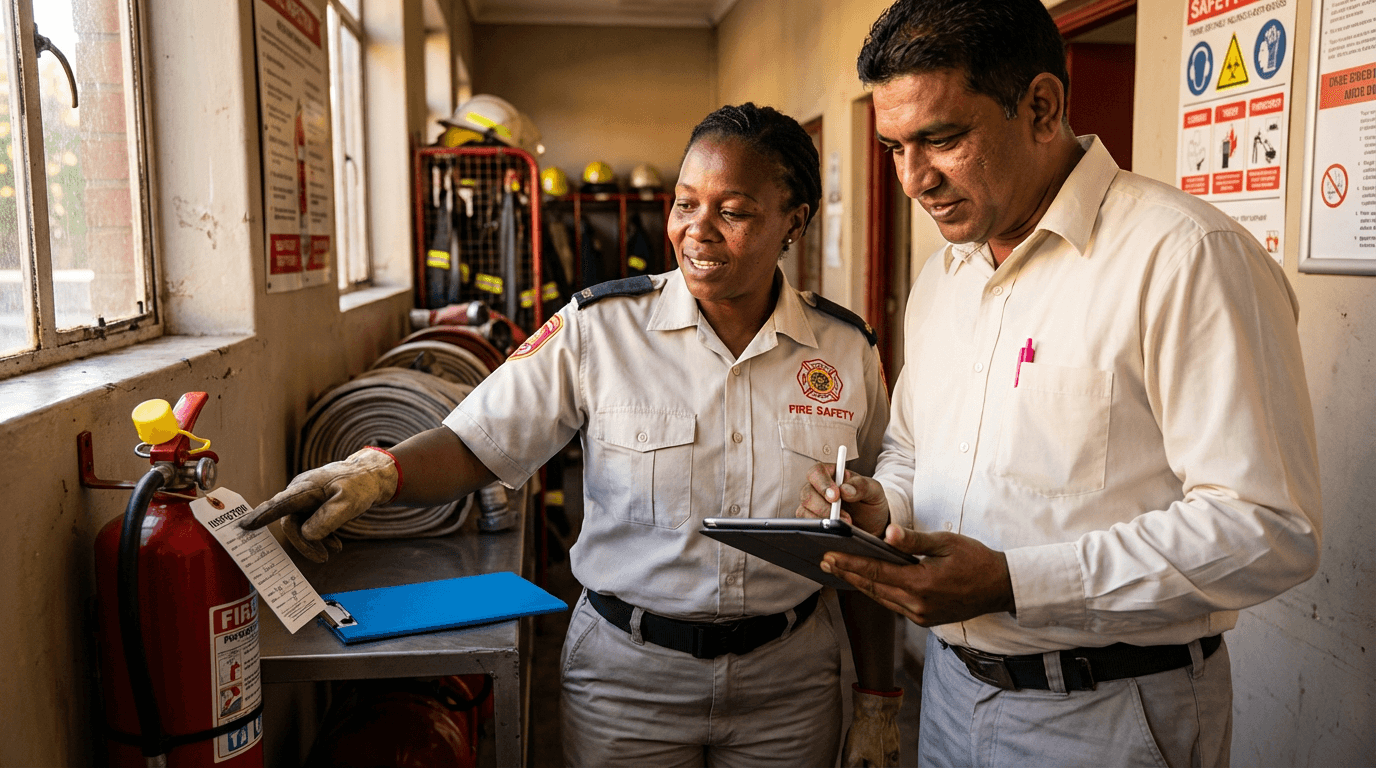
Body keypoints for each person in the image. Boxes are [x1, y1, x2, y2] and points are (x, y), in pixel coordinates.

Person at [244, 103, 905, 767]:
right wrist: (376, 471)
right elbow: (479, 440)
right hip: (628, 682)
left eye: (733, 211)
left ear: (794, 221)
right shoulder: (600, 329)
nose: (696, 231)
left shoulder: (844, 350)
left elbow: (871, 537)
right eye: (684, 203)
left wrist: (880, 699)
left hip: (790, 684)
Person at [796, 1, 1322, 766]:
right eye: (894, 148)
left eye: (941, 139)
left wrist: (1015, 582)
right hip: (949, 697)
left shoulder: (1183, 259)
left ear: (1041, 106)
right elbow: (914, 448)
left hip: (1111, 714)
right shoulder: (947, 275)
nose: (915, 179)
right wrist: (884, 506)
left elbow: (1268, 528)